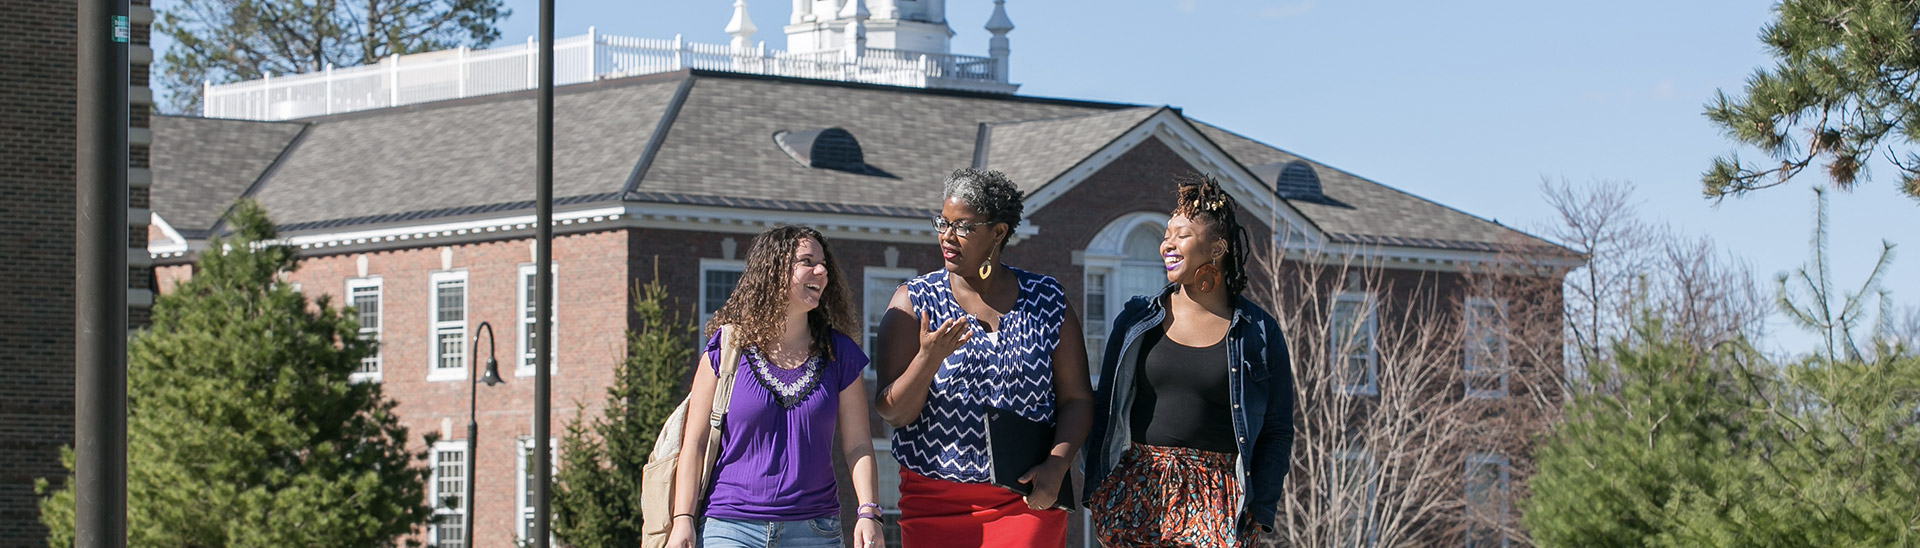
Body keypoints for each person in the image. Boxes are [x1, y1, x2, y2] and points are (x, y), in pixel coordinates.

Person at [872, 168, 1095, 546]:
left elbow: (1077, 398)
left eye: (963, 227)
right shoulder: (913, 302)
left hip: (1026, 496)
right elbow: (893, 413)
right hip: (935, 500)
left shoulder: (1047, 300)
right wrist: (928, 358)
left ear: (998, 232)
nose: (946, 235)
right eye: (943, 222)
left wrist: (1058, 465)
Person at [1083, 175, 1297, 547]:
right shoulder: (1136, 320)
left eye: (1181, 234)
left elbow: (1277, 430)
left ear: (1216, 248)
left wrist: (1260, 511)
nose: (1167, 242)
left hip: (1220, 498)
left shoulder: (1259, 332)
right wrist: (1100, 489)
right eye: (1166, 234)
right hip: (1138, 490)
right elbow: (1105, 406)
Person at [666, 225, 886, 548]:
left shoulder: (840, 355)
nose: (821, 271)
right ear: (774, 270)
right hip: (729, 528)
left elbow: (858, 447)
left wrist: (869, 512)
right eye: (807, 261)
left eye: (823, 263)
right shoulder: (726, 350)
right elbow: (695, 443)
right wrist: (682, 519)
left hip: (815, 531)